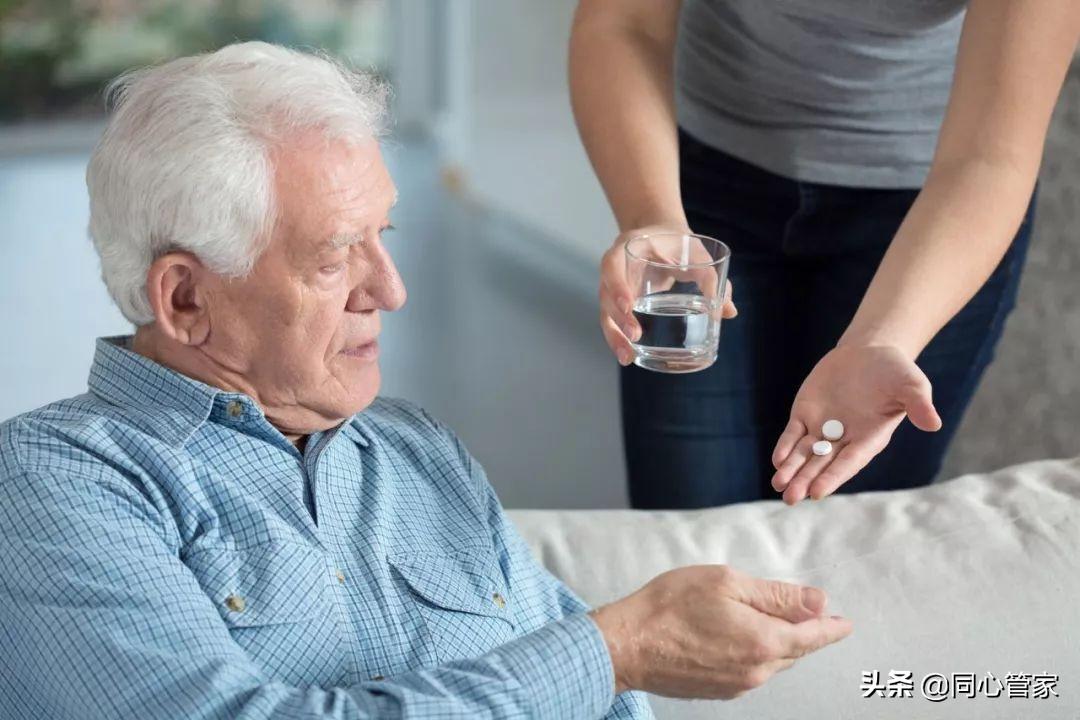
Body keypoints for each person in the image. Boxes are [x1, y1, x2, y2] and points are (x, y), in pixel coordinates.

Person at [0, 43, 852, 719]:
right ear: (185, 299)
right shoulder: (55, 481)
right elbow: (596, 662)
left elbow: (601, 700)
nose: (392, 289)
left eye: (386, 234)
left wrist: (613, 663)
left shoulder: (416, 452)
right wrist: (615, 648)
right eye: (336, 257)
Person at [570, 0, 1080, 509]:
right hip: (703, 179)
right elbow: (623, 23)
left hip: (929, 219)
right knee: (688, 523)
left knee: (852, 526)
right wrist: (651, 217)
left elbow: (989, 158)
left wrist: (883, 338)